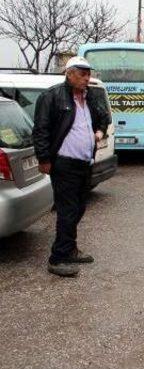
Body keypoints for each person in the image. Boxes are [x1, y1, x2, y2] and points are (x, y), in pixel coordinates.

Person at [33, 56, 110, 277]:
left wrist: (99, 132)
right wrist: (44, 159)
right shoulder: (52, 96)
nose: (87, 78)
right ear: (69, 74)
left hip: (85, 162)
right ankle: (57, 258)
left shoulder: (91, 96)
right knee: (67, 210)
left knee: (79, 208)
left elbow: (103, 119)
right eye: (83, 74)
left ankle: (70, 249)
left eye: (89, 74)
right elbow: (41, 130)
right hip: (64, 163)